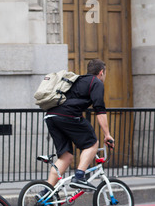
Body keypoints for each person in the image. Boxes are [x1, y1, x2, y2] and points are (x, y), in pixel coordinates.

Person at [43, 59, 114, 191]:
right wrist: (107, 135)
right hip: (67, 116)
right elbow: (99, 109)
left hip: (51, 116)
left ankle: (46, 192)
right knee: (92, 143)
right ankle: (79, 176)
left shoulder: (78, 80)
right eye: (104, 74)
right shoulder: (96, 82)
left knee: (66, 156)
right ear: (101, 72)